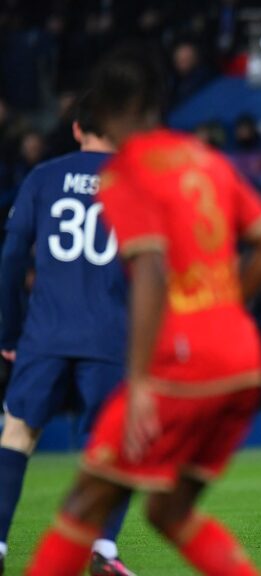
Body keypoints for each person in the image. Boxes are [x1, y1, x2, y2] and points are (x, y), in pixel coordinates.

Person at [26, 46, 261, 576]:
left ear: (107, 109)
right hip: (241, 359)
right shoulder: (207, 160)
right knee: (170, 510)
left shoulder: (126, 173)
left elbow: (148, 270)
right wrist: (223, 309)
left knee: (84, 502)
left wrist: (141, 379)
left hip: (181, 365)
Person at [0, 93, 135, 576]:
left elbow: (12, 259)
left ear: (76, 129)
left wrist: (9, 330)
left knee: (17, 433)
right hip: (112, 334)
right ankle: (103, 549)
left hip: (46, 332)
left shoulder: (42, 177)